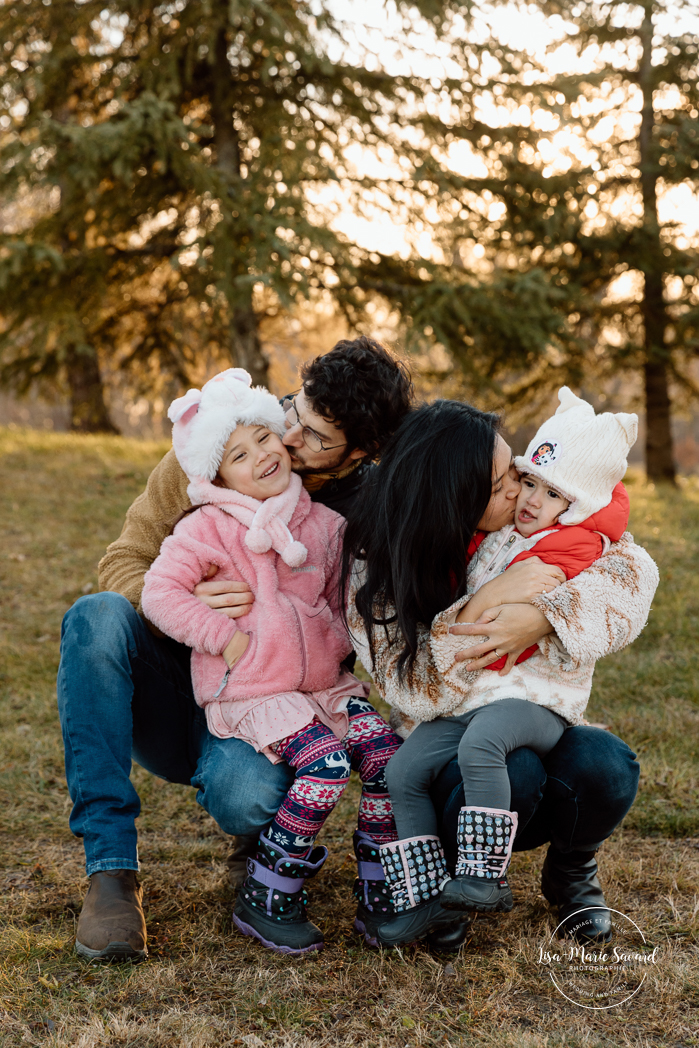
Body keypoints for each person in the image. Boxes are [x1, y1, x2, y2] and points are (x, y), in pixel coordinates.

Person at [56, 336, 416, 961]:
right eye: (295, 412)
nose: (291, 438)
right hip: (183, 682)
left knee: (250, 796)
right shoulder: (220, 442)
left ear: (361, 454)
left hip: (288, 704)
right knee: (96, 618)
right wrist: (195, 612)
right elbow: (124, 560)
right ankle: (111, 872)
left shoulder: (362, 509)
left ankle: (267, 844)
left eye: (317, 437)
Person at [342, 398, 659, 948]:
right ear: (453, 500)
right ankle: (432, 896)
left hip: (523, 714)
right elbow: (408, 689)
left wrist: (541, 618)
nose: (521, 490)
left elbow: (632, 571)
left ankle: (567, 872)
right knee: (478, 769)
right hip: (449, 740)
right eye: (504, 484)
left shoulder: (537, 534)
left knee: (606, 766)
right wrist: (482, 605)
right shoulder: (377, 568)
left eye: (517, 469)